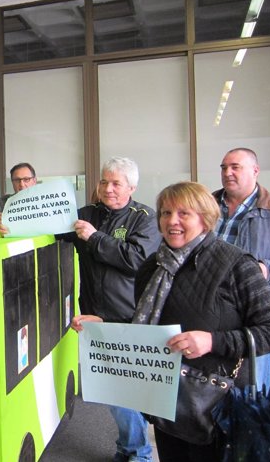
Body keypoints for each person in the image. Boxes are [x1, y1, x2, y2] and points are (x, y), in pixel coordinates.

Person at [74, 182, 270, 461]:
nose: (172, 221)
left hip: (217, 409)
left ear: (205, 218)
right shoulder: (152, 267)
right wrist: (105, 322)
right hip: (167, 403)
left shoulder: (237, 265)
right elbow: (149, 322)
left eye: (184, 213)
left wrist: (212, 341)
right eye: (166, 213)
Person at [61, 157, 159, 462]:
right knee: (114, 390)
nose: (108, 188)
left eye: (116, 183)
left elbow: (136, 259)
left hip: (128, 317)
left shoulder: (144, 217)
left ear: (131, 187)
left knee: (121, 392)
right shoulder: (88, 214)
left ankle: (138, 453)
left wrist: (93, 237)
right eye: (104, 181)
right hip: (94, 315)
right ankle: (129, 448)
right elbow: (49, 229)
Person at [212, 147, 270, 391]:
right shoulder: (206, 205)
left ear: (255, 171)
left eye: (235, 167)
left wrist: (265, 269)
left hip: (255, 314)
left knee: (251, 388)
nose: (227, 173)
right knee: (206, 387)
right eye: (223, 168)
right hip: (210, 309)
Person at [0, 162, 37, 235]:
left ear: (34, 181)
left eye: (26, 179)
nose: (21, 184)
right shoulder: (4, 201)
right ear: (12, 183)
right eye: (17, 180)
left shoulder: (47, 200)